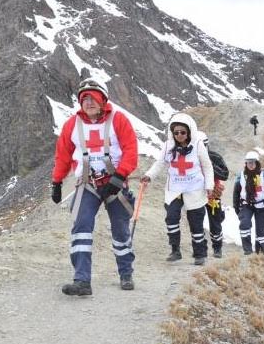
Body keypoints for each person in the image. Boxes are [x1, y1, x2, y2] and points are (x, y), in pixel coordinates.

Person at [51, 78, 138, 295]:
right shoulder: (72, 124)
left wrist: (119, 178)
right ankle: (82, 281)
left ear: (102, 99)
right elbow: (62, 155)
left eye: (93, 98)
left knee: (120, 230)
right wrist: (57, 181)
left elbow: (131, 151)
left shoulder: (119, 120)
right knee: (81, 228)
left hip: (115, 184)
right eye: (84, 99)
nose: (88, 102)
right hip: (87, 184)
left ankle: (126, 273)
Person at [141, 113, 214, 265]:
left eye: (183, 132)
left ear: (189, 131)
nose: (179, 135)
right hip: (175, 188)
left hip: (194, 188)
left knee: (195, 222)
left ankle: (199, 254)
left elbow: (207, 167)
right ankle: (175, 250)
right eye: (176, 132)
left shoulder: (198, 145)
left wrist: (209, 186)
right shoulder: (168, 146)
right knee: (171, 217)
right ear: (172, 133)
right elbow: (160, 163)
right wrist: (149, 175)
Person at [232, 151, 264, 255]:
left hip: (262, 206)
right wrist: (236, 207)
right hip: (246, 204)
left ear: (257, 163)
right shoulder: (241, 176)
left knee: (261, 230)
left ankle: (260, 253)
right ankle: (247, 250)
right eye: (248, 162)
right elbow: (236, 192)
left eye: (253, 162)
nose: (250, 164)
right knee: (244, 224)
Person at [202, 136, 229, 258]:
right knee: (196, 221)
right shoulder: (190, 157)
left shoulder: (215, 157)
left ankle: (217, 248)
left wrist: (210, 165)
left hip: (213, 194)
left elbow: (224, 174)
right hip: (196, 193)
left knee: (215, 221)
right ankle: (200, 248)